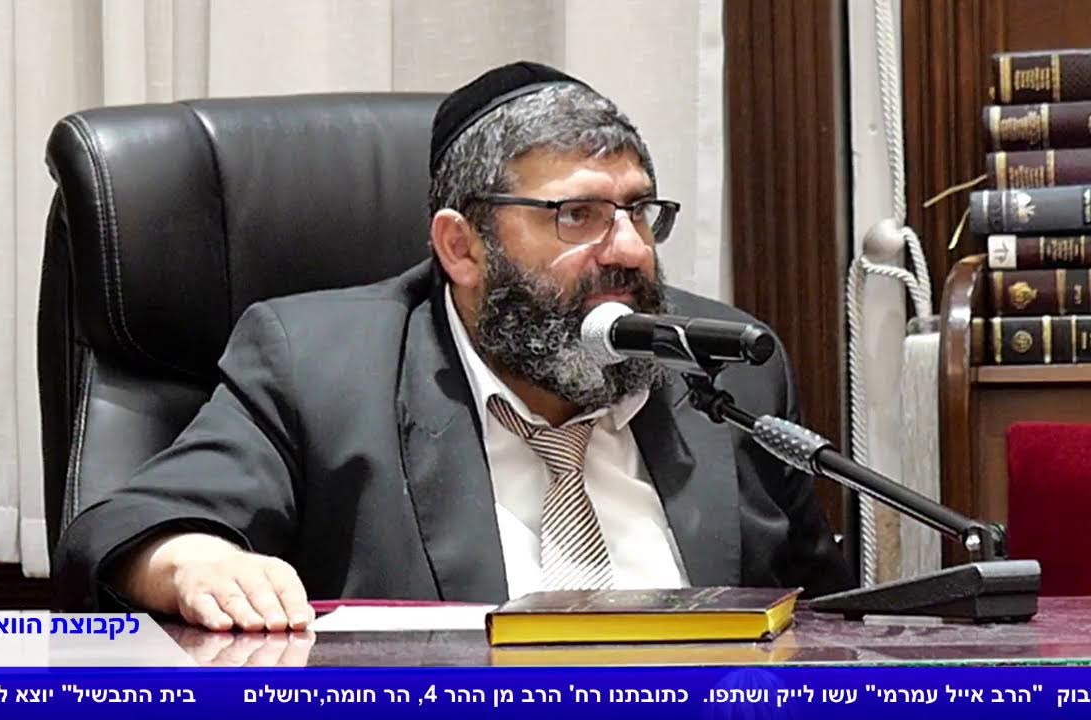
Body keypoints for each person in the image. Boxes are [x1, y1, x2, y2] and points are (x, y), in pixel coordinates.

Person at [52, 61, 854, 633]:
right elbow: (130, 526)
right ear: (461, 248)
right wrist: (194, 563)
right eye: (576, 216)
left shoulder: (727, 374)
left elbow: (828, 627)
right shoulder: (321, 367)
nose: (630, 250)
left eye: (639, 211)